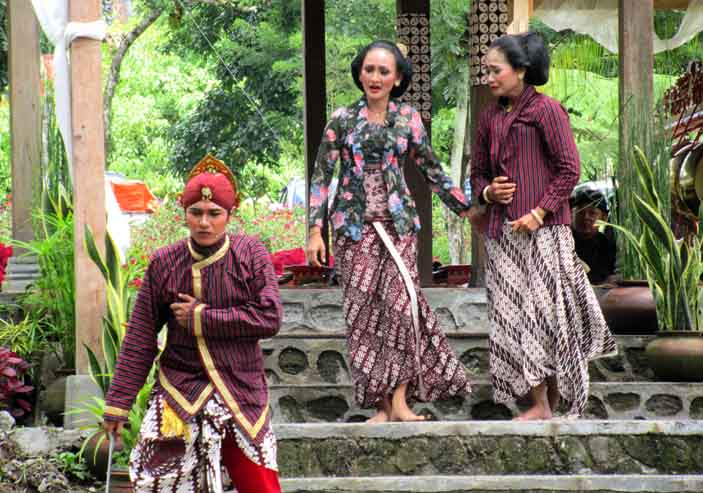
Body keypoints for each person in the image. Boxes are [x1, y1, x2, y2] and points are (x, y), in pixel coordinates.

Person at [306, 40, 476, 423]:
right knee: (364, 317)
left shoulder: (408, 119)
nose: (376, 77)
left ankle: (401, 402)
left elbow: (433, 171)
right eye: (369, 70)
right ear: (359, 73)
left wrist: (469, 210)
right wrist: (316, 231)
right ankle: (381, 407)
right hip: (354, 231)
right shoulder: (342, 119)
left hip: (398, 229)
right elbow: (320, 178)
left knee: (402, 310)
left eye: (384, 71)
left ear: (398, 78)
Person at [102, 154, 282, 493]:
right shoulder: (164, 263)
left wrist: (203, 317)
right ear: (183, 212)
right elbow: (140, 338)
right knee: (160, 483)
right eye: (195, 213)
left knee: (259, 484)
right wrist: (118, 404)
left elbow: (270, 316)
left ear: (231, 214)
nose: (204, 223)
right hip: (178, 390)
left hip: (239, 388)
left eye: (214, 214)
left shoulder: (251, 254)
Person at [469, 32, 617, 420]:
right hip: (503, 237)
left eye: (495, 70)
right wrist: (487, 193)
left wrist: (539, 212)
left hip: (546, 234)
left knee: (546, 316)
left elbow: (569, 169)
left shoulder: (547, 111)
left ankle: (545, 404)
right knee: (512, 317)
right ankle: (539, 404)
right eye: (487, 70)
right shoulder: (489, 117)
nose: (489, 77)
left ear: (520, 70)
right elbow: (478, 173)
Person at [571, 190, 617, 284]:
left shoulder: (608, 246)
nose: (586, 217)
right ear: (572, 215)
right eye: (580, 212)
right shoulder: (564, 242)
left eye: (592, 213)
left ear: (604, 218)